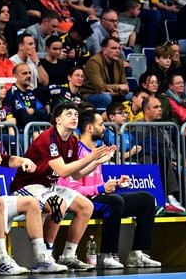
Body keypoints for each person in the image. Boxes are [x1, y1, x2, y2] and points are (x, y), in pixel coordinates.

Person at [10, 103, 116, 271]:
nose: (74, 117)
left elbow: (76, 174)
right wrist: (91, 158)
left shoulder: (72, 140)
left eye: (75, 114)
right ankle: (44, 258)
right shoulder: (48, 139)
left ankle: (68, 256)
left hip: (47, 186)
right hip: (28, 186)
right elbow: (63, 171)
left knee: (86, 206)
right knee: (58, 204)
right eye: (69, 114)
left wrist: (96, 161)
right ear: (58, 120)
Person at [0, 110, 67, 274]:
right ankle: (2, 258)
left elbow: (4, 159)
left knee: (31, 203)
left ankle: (41, 259)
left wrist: (23, 160)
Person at [59, 108, 161, 268]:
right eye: (100, 124)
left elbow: (98, 185)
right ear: (90, 128)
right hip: (82, 203)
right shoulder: (76, 152)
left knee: (146, 199)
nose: (104, 127)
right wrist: (101, 189)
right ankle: (106, 255)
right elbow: (71, 189)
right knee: (114, 202)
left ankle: (137, 254)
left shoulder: (96, 152)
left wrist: (116, 184)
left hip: (98, 198)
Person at [81, 36, 129, 110]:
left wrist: (116, 92)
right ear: (104, 50)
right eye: (113, 48)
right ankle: (101, 119)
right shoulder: (94, 62)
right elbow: (100, 87)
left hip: (113, 94)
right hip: (92, 94)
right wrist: (118, 87)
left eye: (119, 48)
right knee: (106, 97)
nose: (117, 51)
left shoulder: (120, 62)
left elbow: (125, 86)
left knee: (130, 95)